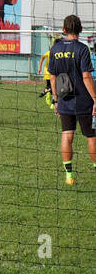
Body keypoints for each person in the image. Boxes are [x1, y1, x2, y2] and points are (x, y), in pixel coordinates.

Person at [45, 14, 96, 185]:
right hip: (84, 100)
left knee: (67, 135)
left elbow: (52, 77)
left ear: (64, 30)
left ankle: (69, 176)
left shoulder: (55, 49)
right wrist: (95, 99)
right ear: (80, 30)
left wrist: (56, 100)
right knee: (91, 136)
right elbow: (87, 76)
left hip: (65, 99)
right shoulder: (82, 49)